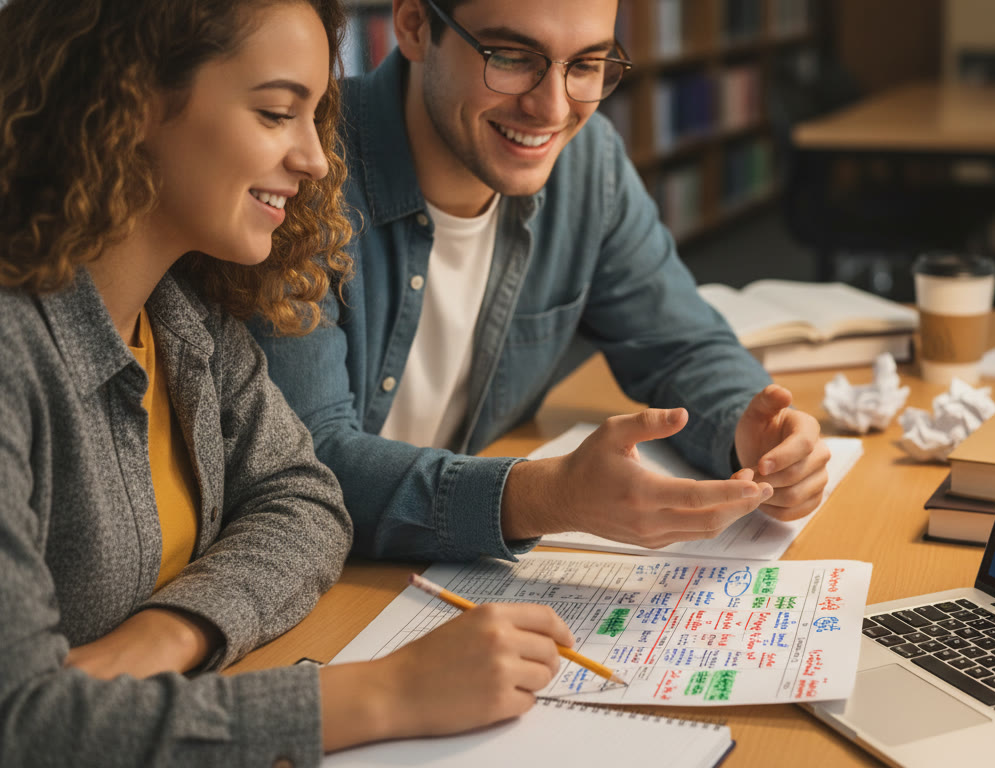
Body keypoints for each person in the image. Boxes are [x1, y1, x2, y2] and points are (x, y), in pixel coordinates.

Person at [0, 2, 573, 764]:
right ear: (130, 99)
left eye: (316, 115)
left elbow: (305, 500)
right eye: (277, 113)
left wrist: (169, 633)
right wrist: (389, 694)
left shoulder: (186, 315)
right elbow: (25, 727)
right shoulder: (16, 353)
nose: (313, 157)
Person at [252, 0, 830, 562]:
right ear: (414, 25)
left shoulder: (588, 165)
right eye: (510, 57)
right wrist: (546, 497)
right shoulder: (297, 174)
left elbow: (681, 346)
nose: (553, 109)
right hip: (320, 584)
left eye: (584, 65)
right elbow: (308, 462)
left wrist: (749, 434)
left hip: (444, 569)